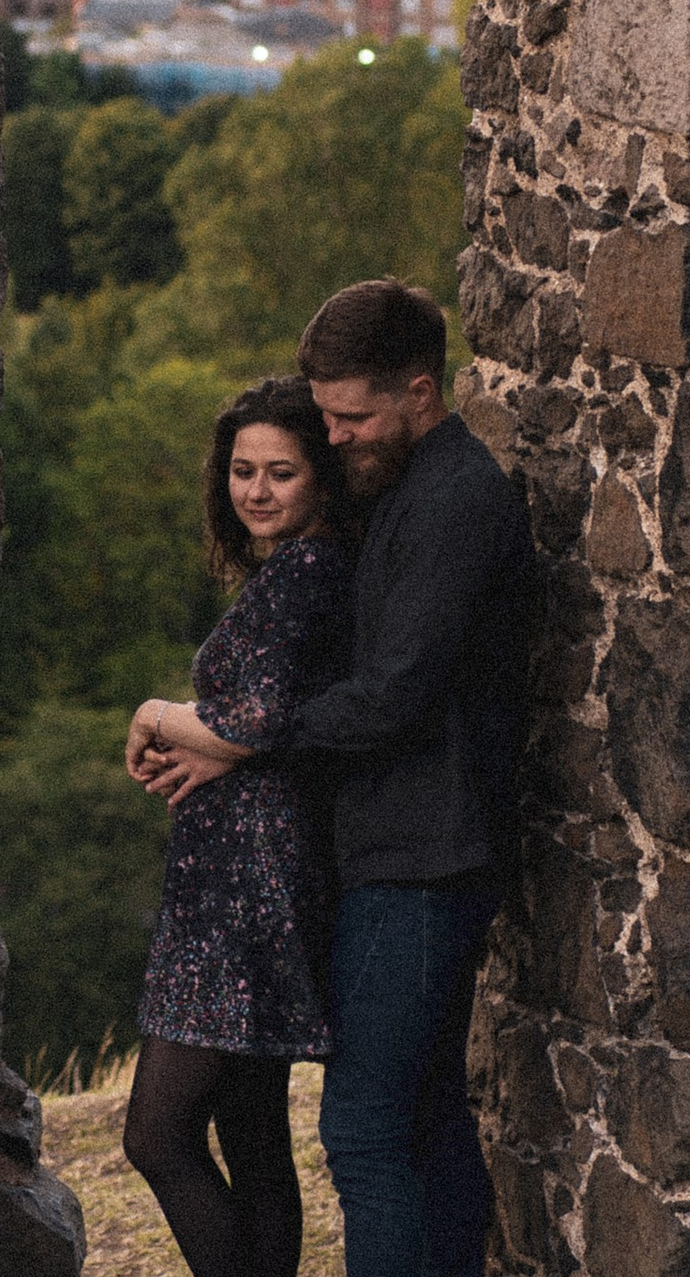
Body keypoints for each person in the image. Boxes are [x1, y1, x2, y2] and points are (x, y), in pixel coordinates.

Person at [149, 278, 535, 1276]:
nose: (335, 436)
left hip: (423, 856)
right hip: (403, 848)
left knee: (362, 1132)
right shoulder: (405, 489)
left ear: (419, 391)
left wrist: (239, 738)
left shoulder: (453, 501)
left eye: (350, 417)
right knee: (427, 1116)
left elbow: (390, 697)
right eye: (323, 416)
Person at [118, 376, 356, 1277]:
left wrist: (157, 714)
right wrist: (217, 741)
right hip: (250, 876)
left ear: (322, 476)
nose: (256, 490)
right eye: (242, 470)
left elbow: (251, 720)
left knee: (157, 1134)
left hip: (245, 892)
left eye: (281, 472)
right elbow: (265, 723)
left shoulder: (307, 571)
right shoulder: (304, 567)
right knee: (251, 1128)